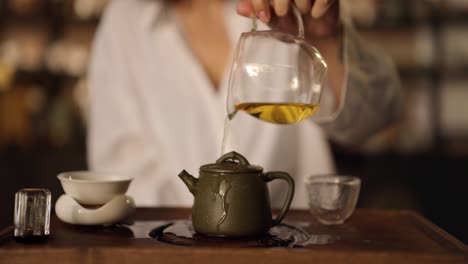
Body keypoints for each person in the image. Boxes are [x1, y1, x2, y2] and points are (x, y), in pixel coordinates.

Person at [88, 0, 401, 208]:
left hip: (295, 248)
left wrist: (325, 39)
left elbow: (379, 115)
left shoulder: (284, 7)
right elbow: (121, 175)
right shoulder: (126, 21)